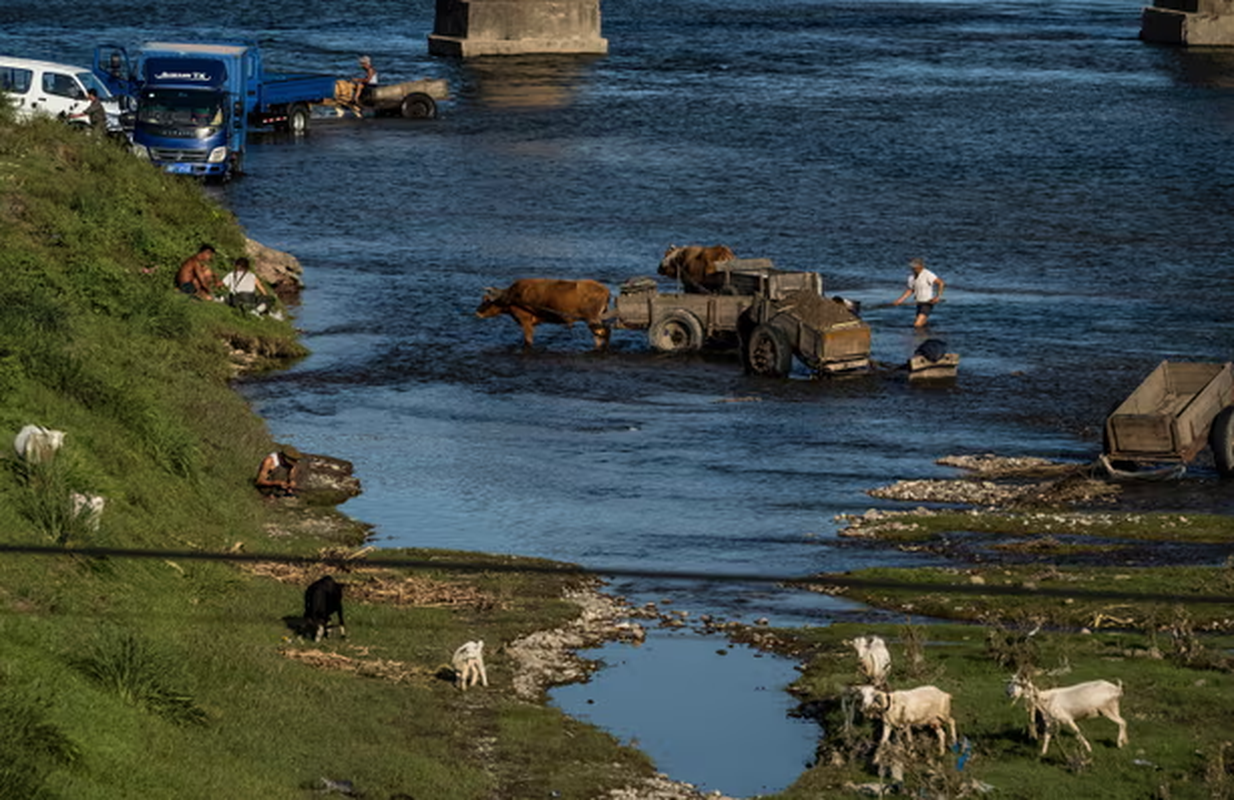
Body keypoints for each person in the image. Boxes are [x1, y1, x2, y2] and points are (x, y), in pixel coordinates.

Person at [892, 256, 945, 328]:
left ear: (921, 266)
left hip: (927, 302)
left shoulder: (927, 274)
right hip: (918, 303)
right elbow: (910, 290)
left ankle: (920, 337)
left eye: (915, 267)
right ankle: (925, 335)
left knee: (917, 324)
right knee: (921, 324)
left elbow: (941, 283)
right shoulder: (911, 277)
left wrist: (937, 297)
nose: (913, 269)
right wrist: (900, 300)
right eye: (912, 267)